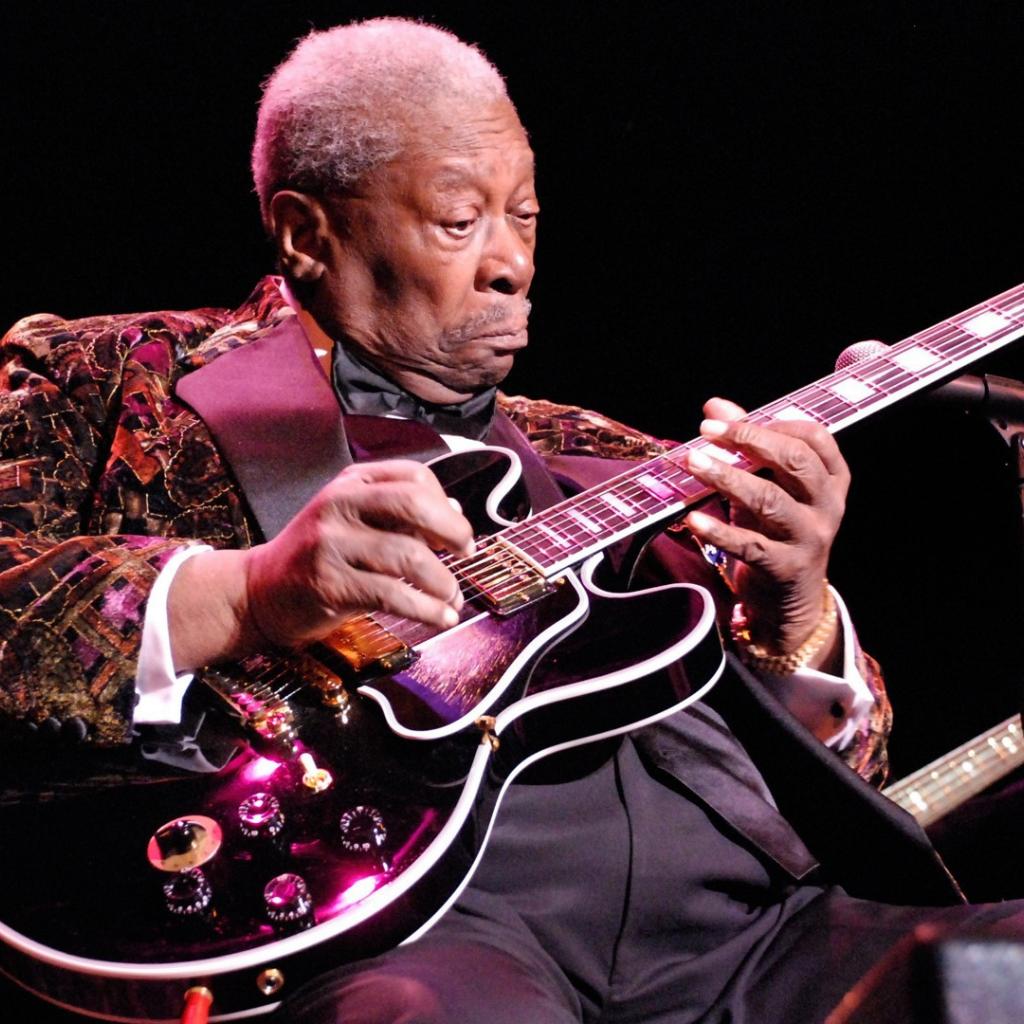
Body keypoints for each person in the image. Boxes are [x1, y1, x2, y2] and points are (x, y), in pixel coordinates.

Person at [1, 17, 1020, 1024]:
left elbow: (857, 776)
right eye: (460, 221)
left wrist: (791, 617)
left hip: (752, 929)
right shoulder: (105, 379)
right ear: (308, 234)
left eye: (523, 217)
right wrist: (248, 593)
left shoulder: (612, 453)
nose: (512, 263)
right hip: (428, 944)